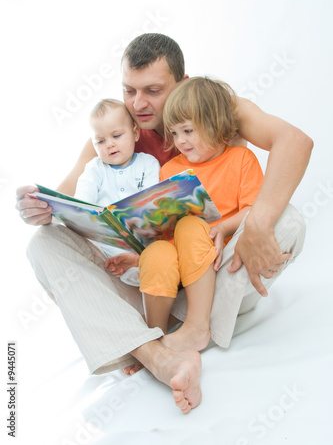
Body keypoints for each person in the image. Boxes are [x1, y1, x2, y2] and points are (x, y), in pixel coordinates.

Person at [16, 33, 312, 414]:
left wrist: (256, 223)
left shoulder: (213, 106)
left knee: (288, 220)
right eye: (129, 90)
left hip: (220, 272)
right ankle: (159, 355)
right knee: (44, 243)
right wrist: (39, 209)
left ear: (182, 83)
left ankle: (173, 330)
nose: (138, 104)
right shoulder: (118, 132)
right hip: (151, 280)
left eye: (153, 90)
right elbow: (67, 199)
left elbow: (295, 141)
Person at [110, 77, 264, 353]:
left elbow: (255, 208)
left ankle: (196, 327)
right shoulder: (171, 170)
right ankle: (154, 340)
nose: (180, 141)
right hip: (182, 265)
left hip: (220, 258)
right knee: (157, 252)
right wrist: (139, 256)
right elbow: (165, 230)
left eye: (188, 131)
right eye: (174, 133)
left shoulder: (241, 159)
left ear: (215, 123)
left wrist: (223, 228)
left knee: (194, 225)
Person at [74, 98, 160, 285]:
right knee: (89, 243)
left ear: (135, 133)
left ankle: (139, 268)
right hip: (106, 241)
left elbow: (151, 200)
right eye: (100, 141)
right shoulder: (94, 168)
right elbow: (82, 200)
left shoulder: (148, 163)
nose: (110, 145)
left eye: (116, 136)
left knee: (155, 249)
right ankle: (119, 269)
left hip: (141, 238)